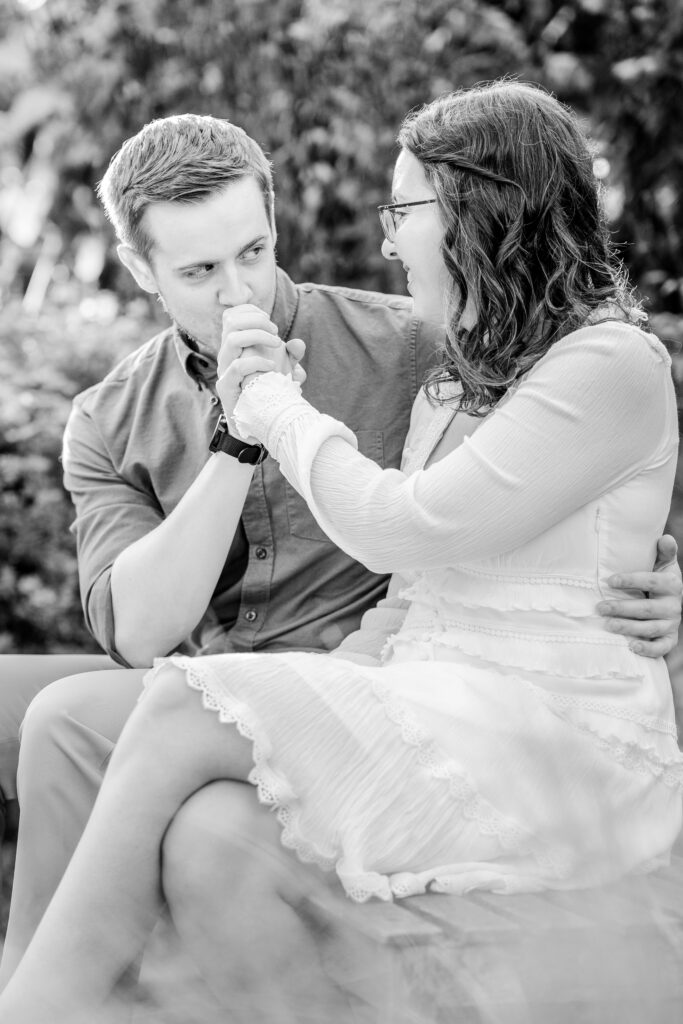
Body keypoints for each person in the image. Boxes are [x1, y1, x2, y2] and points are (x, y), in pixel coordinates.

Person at [1, 88, 682, 1020]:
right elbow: (160, 626)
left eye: (252, 251)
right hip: (354, 677)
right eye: (199, 269)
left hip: (500, 714)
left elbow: (459, 522)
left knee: (159, 716)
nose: (388, 243)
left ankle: (42, 1006)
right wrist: (240, 444)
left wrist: (271, 408)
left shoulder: (430, 347)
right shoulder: (116, 414)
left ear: (481, 217)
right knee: (93, 744)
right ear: (139, 269)